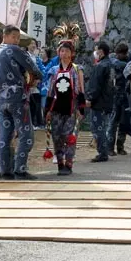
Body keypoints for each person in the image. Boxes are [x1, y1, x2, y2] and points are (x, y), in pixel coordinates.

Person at [0, 25, 42, 180]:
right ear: (5, 36)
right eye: (14, 37)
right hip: (17, 97)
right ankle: (20, 169)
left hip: (1, 98)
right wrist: (36, 77)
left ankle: (5, 170)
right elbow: (33, 67)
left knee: (5, 136)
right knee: (26, 134)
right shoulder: (13, 50)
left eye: (18, 38)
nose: (17, 41)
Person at [46, 39, 86, 175]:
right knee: (57, 136)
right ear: (58, 53)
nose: (64, 53)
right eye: (62, 51)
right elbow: (50, 91)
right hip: (56, 107)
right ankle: (60, 163)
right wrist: (47, 110)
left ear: (72, 53)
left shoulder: (77, 69)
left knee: (69, 136)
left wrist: (81, 109)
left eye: (67, 51)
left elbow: (81, 90)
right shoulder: (53, 70)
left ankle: (69, 164)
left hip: (72, 107)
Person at [87, 41, 115, 162]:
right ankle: (104, 150)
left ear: (101, 52)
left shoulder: (100, 66)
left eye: (96, 50)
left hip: (99, 102)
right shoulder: (110, 65)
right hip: (108, 100)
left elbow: (95, 85)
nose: (95, 52)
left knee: (98, 127)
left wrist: (89, 98)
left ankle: (102, 152)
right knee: (103, 126)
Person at [109, 42, 131, 156]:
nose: (117, 56)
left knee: (124, 122)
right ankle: (110, 147)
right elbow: (114, 61)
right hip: (116, 94)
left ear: (125, 54)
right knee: (113, 122)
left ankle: (120, 146)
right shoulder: (114, 58)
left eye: (120, 55)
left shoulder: (130, 58)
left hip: (127, 95)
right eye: (117, 54)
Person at [24, 38, 45, 128]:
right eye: (31, 43)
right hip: (26, 85)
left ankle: (36, 123)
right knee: (28, 105)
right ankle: (30, 123)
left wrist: (38, 80)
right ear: (27, 45)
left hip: (36, 85)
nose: (33, 45)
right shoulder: (24, 56)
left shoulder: (37, 58)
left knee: (36, 104)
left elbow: (42, 71)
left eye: (34, 44)